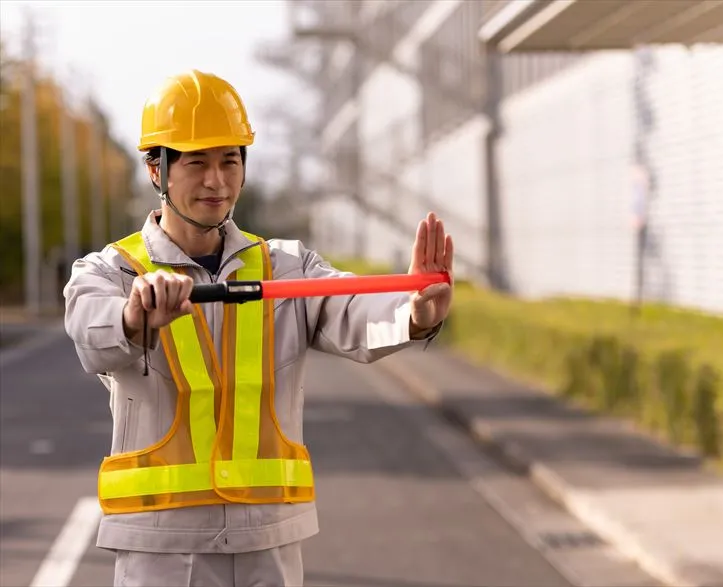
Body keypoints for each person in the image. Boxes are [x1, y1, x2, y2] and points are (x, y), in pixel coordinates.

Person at [62, 69, 454, 587]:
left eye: (230, 160)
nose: (217, 181)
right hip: (160, 544)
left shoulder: (287, 267)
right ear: (156, 169)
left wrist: (417, 311)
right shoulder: (113, 272)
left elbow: (354, 309)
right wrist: (135, 318)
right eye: (196, 162)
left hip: (267, 540)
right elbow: (93, 332)